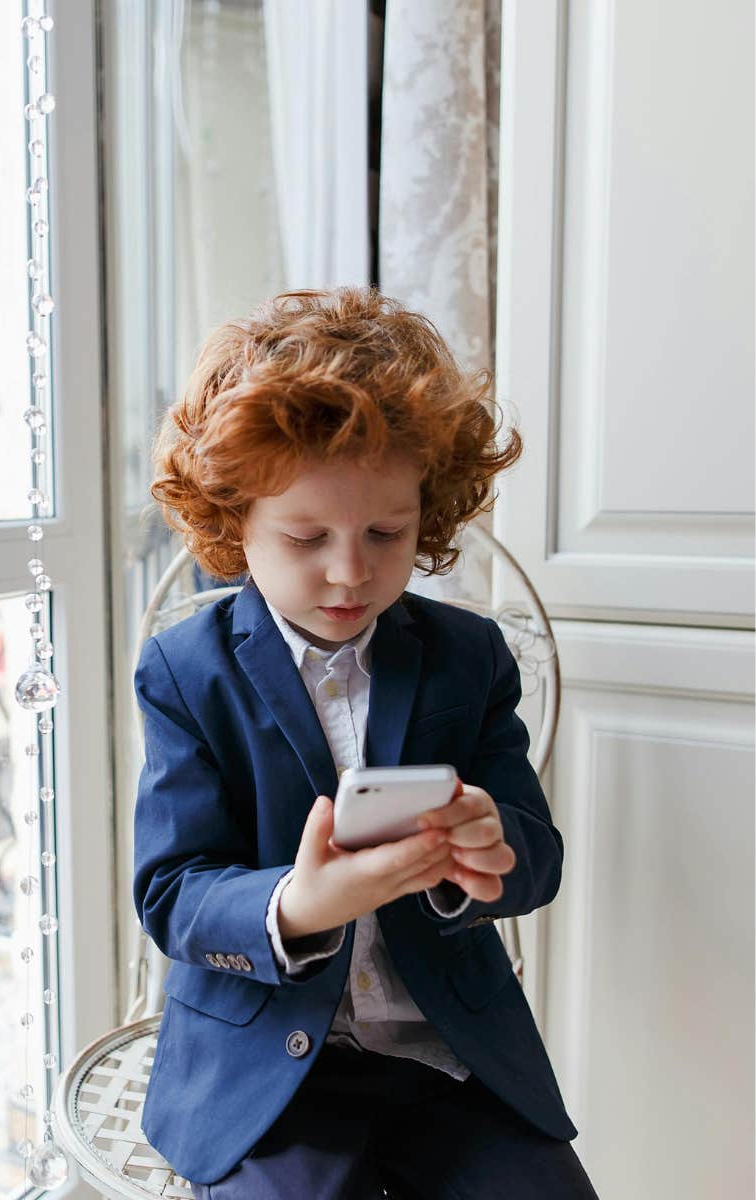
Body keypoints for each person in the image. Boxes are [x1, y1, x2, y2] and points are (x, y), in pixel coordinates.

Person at [133, 286, 598, 1198]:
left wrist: (490, 849)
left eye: (388, 532)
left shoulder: (467, 657)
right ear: (234, 525)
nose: (351, 571)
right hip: (264, 1070)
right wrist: (297, 905)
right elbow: (172, 894)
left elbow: (537, 862)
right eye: (306, 536)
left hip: (449, 1062)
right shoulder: (186, 670)